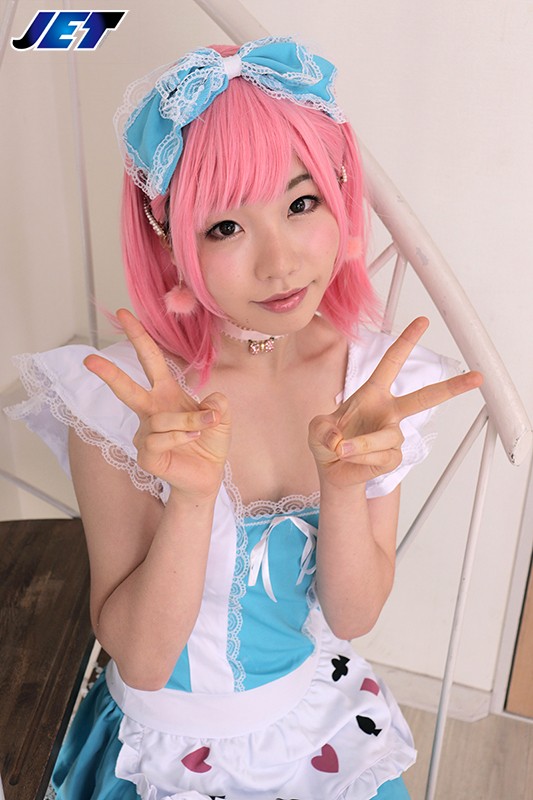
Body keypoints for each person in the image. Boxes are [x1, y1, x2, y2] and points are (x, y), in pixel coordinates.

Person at [7, 36, 482, 800]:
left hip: (311, 727)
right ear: (169, 240)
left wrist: (342, 486)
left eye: (301, 204)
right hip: (160, 753)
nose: (280, 262)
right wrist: (192, 499)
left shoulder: (368, 382)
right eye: (225, 226)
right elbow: (144, 662)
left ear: (339, 196)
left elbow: (352, 616)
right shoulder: (123, 398)